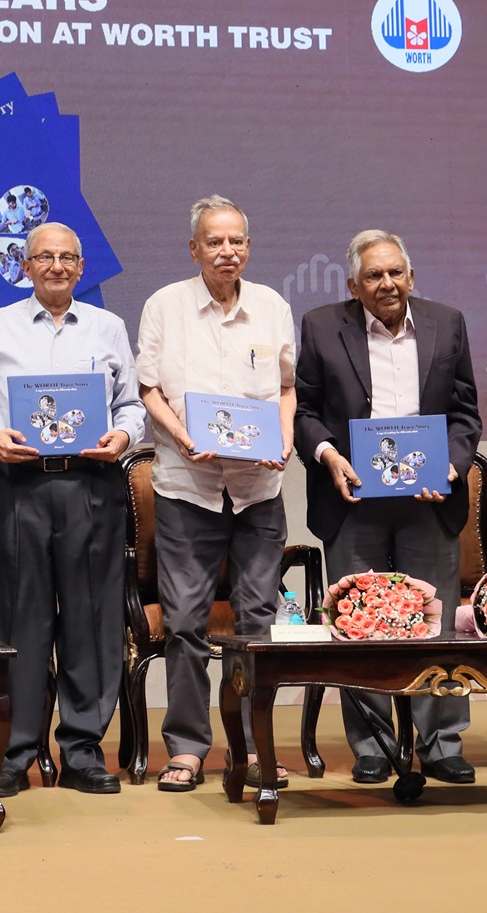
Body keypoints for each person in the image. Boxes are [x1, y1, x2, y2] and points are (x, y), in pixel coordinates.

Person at [0, 222, 145, 797]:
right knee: (19, 620)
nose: (57, 266)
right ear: (25, 266)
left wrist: (123, 438)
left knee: (91, 619)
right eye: (45, 257)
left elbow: (131, 405)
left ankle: (83, 748)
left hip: (92, 485)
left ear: (81, 268)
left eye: (68, 258)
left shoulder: (109, 326)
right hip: (18, 486)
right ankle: (16, 750)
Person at [293, 230, 482, 785]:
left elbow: (466, 412)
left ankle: (442, 743)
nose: (387, 284)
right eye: (374, 276)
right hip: (353, 500)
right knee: (360, 623)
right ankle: (373, 744)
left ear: (412, 276)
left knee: (437, 622)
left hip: (430, 499)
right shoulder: (323, 325)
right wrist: (328, 455)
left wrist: (450, 464)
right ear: (354, 285)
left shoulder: (447, 322)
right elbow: (305, 411)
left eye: (396, 273)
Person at [136, 195, 295, 791]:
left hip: (259, 487)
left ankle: (253, 745)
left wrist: (282, 437)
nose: (227, 251)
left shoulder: (273, 307)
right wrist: (181, 438)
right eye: (215, 242)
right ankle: (187, 747)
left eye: (237, 242)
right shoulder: (165, 306)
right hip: (188, 486)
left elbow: (285, 387)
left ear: (247, 248)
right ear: (194, 249)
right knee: (184, 622)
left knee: (257, 620)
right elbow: (149, 388)